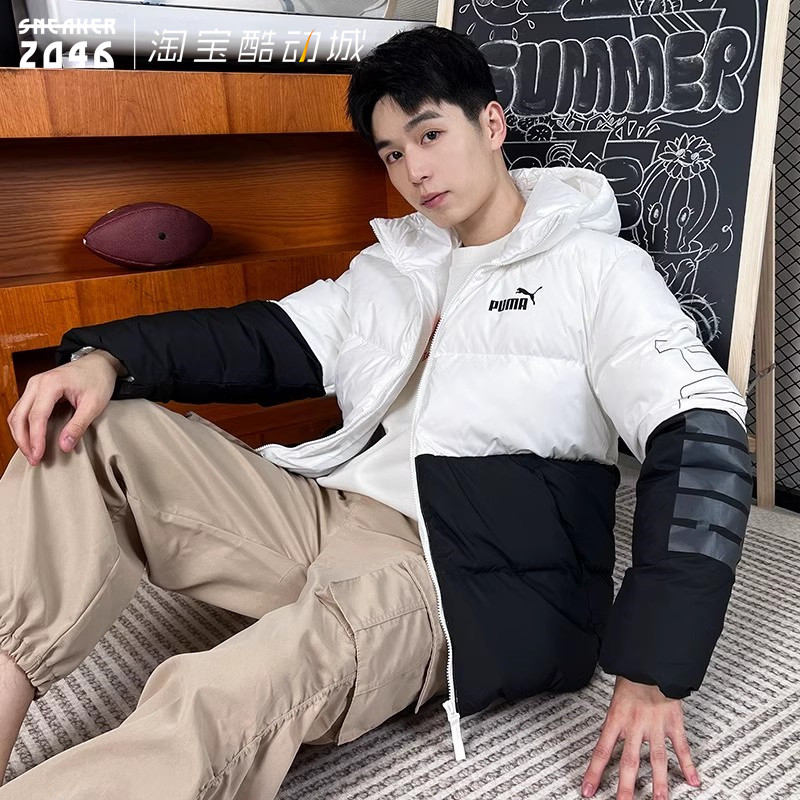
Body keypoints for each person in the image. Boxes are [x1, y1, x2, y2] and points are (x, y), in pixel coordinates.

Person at [0, 23, 752, 800]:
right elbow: (264, 338)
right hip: (333, 516)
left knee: (220, 693)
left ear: (491, 124)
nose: (414, 171)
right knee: (87, 428)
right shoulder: (399, 265)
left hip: (454, 575)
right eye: (392, 153)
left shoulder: (599, 270)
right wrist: (104, 359)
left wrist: (654, 667)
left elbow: (703, 437)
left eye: (430, 134)